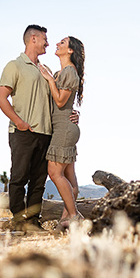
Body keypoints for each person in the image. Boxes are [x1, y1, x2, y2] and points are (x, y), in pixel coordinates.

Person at [0, 25, 77, 232]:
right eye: (44, 40)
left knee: (38, 182)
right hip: (22, 132)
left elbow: (60, 101)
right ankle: (19, 221)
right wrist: (19, 121)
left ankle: (32, 222)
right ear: (33, 39)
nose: (48, 44)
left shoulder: (46, 71)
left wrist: (74, 113)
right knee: (19, 178)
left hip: (46, 134)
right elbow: (1, 98)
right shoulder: (15, 66)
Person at [37, 36, 85, 229]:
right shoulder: (60, 72)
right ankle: (65, 219)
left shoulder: (70, 73)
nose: (57, 44)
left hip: (64, 129)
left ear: (71, 50)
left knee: (54, 172)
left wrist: (48, 78)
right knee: (69, 177)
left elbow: (59, 101)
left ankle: (74, 216)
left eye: (63, 43)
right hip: (63, 126)